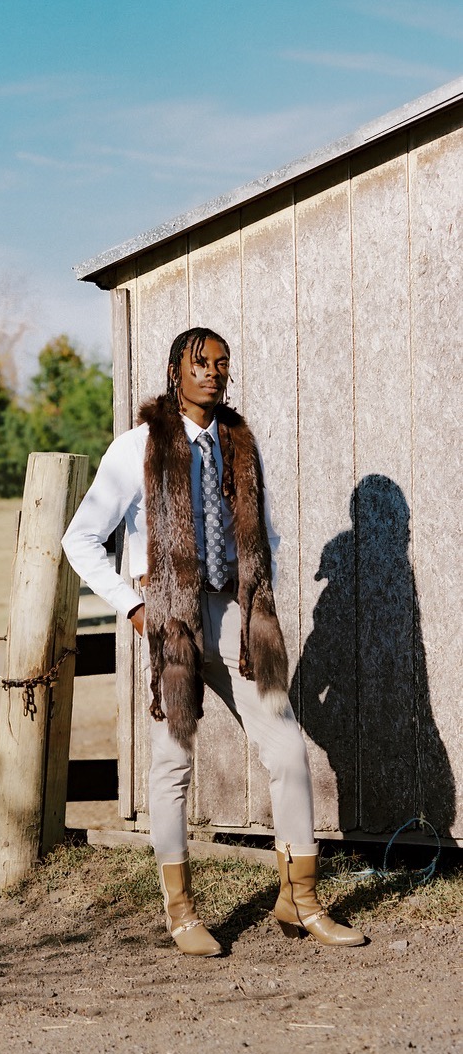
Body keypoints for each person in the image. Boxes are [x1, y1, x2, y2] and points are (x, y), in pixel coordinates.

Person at [61, 327, 364, 956]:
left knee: (286, 748)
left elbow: (265, 534)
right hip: (171, 617)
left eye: (223, 365)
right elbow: (79, 539)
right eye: (201, 364)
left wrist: (256, 594)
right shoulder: (139, 446)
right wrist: (133, 604)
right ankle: (180, 911)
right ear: (175, 371)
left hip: (233, 616)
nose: (214, 374)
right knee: (174, 761)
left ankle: (300, 898)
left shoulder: (239, 446)